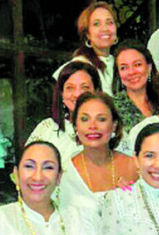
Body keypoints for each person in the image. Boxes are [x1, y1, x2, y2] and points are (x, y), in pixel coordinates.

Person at [59, 91, 138, 222]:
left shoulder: (134, 167)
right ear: (76, 126)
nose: (92, 126)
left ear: (114, 125)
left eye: (101, 119)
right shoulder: (64, 173)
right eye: (84, 119)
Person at [27, 61, 101, 162]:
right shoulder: (47, 129)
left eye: (84, 87)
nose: (77, 94)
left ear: (96, 91)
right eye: (70, 88)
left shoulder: (108, 128)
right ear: (61, 93)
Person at [53, 2, 118, 95]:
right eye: (96, 24)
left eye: (109, 22)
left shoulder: (121, 64)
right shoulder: (78, 66)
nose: (104, 28)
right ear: (87, 34)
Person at [111, 40, 159, 130]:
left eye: (137, 64)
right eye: (124, 68)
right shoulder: (111, 108)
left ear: (149, 67)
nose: (131, 72)